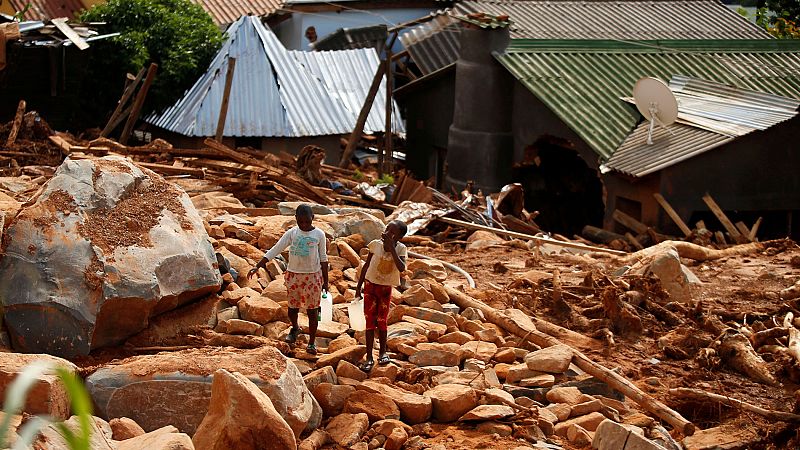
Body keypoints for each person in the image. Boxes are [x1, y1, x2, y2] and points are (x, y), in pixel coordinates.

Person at [248, 204, 328, 355]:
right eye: (301, 222)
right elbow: (276, 248)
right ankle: (295, 327)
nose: (304, 225)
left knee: (312, 311)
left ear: (313, 218)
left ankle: (311, 343)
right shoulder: (292, 233)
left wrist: (326, 282)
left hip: (313, 276)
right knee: (292, 309)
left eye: (307, 221)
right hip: (294, 275)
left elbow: (323, 258)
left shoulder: (319, 234)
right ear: (296, 219)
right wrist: (258, 266)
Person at [355, 220, 408, 372]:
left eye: (392, 233)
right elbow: (366, 266)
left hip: (385, 289)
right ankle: (369, 356)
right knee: (370, 321)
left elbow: (402, 268)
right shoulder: (375, 245)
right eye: (387, 230)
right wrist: (358, 287)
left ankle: (383, 352)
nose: (387, 234)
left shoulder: (401, 249)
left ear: (399, 237)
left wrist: (392, 249)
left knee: (382, 320)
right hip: (370, 286)